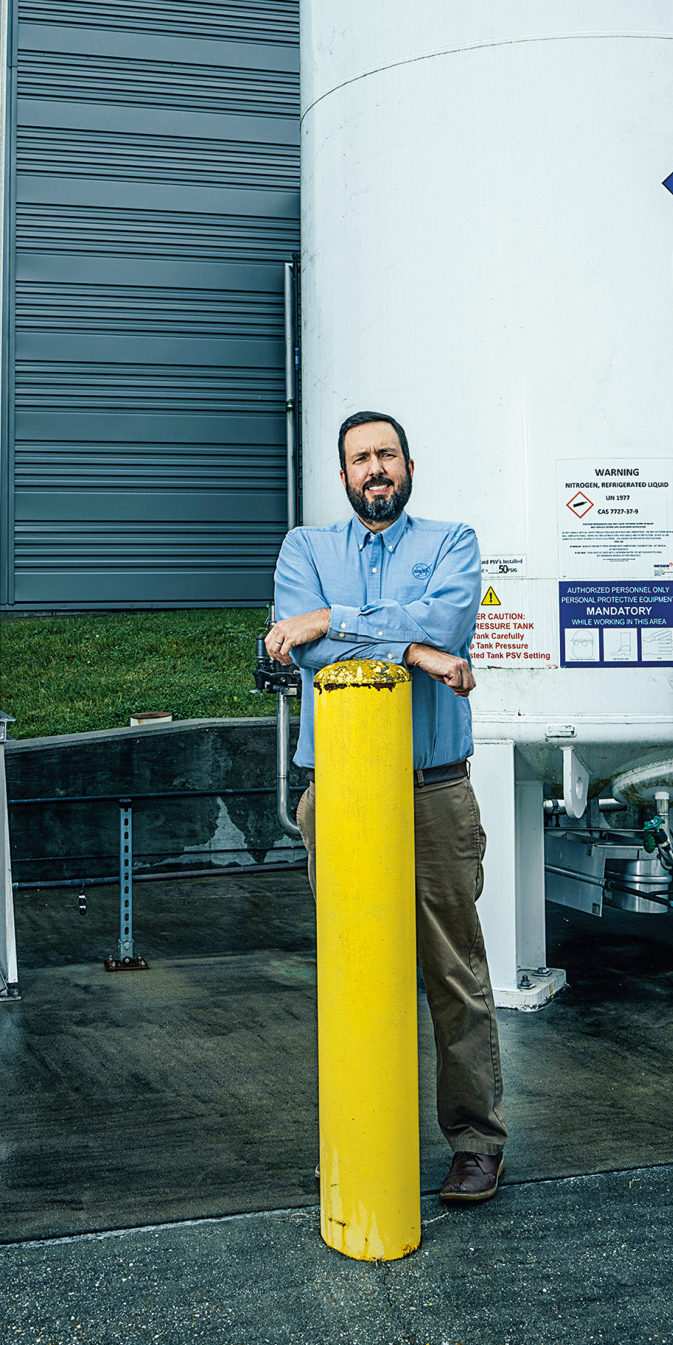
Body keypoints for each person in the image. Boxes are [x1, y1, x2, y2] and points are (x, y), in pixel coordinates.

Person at [265, 409, 506, 1206]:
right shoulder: (307, 548)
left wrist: (336, 618)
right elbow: (296, 647)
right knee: (353, 972)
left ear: (408, 465)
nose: (376, 468)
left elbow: (447, 620)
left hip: (434, 790)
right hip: (338, 791)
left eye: (387, 454)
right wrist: (414, 652)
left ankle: (475, 1142)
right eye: (361, 458)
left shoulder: (453, 544)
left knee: (454, 975)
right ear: (343, 476)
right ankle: (363, 1139)